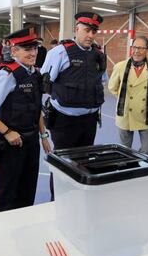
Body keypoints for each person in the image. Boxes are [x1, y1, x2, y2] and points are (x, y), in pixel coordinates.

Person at [0, 28, 52, 213]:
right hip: (11, 145)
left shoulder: (35, 73)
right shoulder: (7, 74)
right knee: (6, 194)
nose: (33, 53)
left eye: (34, 48)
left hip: (32, 140)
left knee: (27, 191)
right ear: (14, 51)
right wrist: (7, 132)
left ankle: (20, 231)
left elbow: (36, 108)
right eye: (27, 49)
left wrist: (43, 135)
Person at [41, 12, 107, 200]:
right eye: (87, 30)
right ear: (77, 29)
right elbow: (44, 83)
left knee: (84, 163)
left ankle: (78, 200)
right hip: (64, 121)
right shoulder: (60, 52)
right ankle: (58, 201)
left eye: (94, 32)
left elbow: (100, 81)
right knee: (62, 164)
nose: (91, 35)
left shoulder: (98, 55)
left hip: (89, 121)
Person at [108, 35, 148, 155]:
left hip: (145, 114)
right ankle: (125, 169)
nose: (137, 51)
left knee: (147, 148)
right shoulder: (120, 66)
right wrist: (126, 99)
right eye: (134, 47)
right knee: (124, 150)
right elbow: (112, 87)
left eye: (141, 48)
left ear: (147, 50)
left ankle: (140, 166)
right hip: (125, 112)